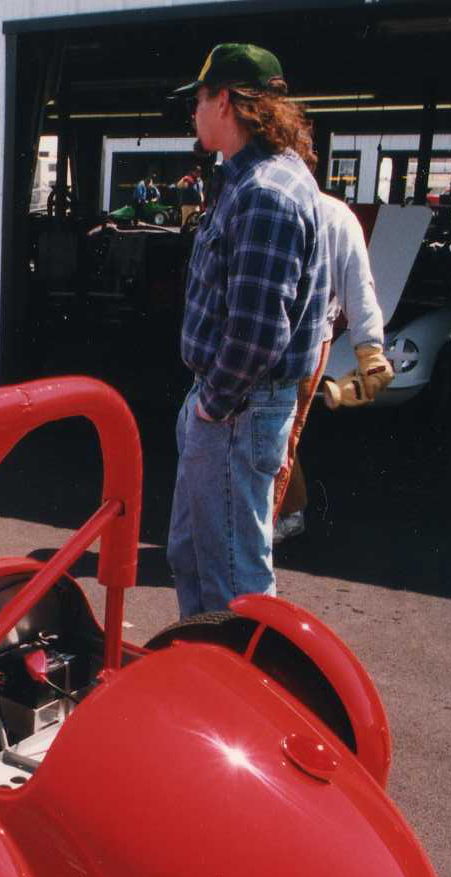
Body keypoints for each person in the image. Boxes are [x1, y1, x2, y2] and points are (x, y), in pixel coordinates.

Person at [167, 42, 330, 618]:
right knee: (193, 554)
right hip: (228, 405)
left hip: (235, 409)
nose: (194, 111)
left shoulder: (264, 193)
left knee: (232, 576)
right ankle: (200, 673)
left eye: (201, 99)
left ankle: (240, 693)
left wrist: (211, 405)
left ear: (228, 102)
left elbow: (258, 333)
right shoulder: (248, 180)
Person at [273, 192, 393, 543]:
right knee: (266, 434)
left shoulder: (334, 217)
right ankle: (285, 511)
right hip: (258, 337)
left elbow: (358, 284)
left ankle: (277, 518)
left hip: (305, 340)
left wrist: (370, 348)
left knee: (280, 433)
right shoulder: (254, 201)